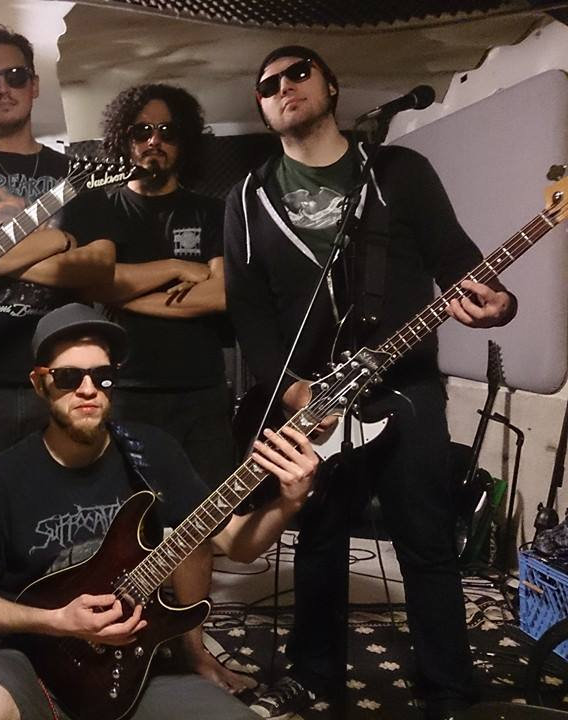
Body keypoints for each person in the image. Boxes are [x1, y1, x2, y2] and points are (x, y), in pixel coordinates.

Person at [223, 46, 518, 720]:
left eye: (299, 72)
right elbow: (251, 316)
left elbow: (459, 261)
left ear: (332, 85)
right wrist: (295, 393)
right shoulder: (247, 198)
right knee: (319, 537)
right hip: (314, 401)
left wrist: (499, 303)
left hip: (405, 387)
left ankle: (448, 688)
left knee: (426, 539)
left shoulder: (397, 172)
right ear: (263, 111)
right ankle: (314, 676)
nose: (284, 87)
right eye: (268, 85)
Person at [0, 302, 320, 720]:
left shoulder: (151, 452)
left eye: (102, 376)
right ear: (40, 384)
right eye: (68, 378)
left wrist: (289, 501)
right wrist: (58, 620)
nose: (88, 390)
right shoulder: (2, 477)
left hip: (133, 664)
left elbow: (238, 545)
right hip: (35, 661)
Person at [0, 24, 115, 464]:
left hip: (60, 383)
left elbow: (100, 266)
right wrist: (58, 241)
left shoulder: (77, 175)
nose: (2, 88)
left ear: (34, 84)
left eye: (14, 76)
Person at [95, 84, 234, 491]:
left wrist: (126, 293)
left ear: (184, 141)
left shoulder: (212, 211)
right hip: (127, 391)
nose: (154, 141)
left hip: (202, 393)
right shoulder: (102, 210)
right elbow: (99, 283)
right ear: (125, 140)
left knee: (206, 517)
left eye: (167, 131)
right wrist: (176, 267)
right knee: (132, 515)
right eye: (142, 131)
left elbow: (221, 293)